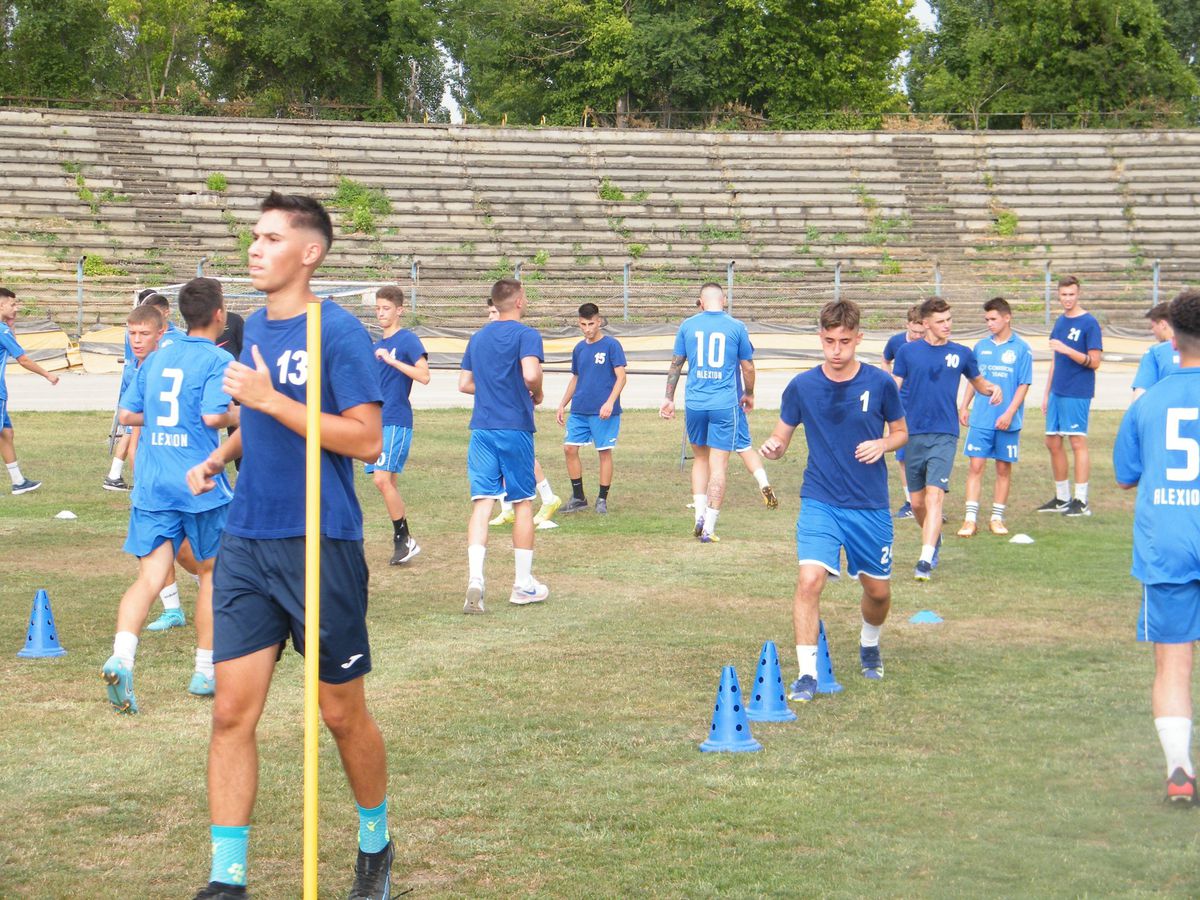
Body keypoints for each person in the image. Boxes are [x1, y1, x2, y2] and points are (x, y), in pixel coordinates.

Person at [185, 193, 394, 899]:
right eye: (254, 235)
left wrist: (270, 399)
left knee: (340, 713)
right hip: (248, 538)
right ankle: (227, 878)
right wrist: (222, 454)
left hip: (320, 541)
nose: (254, 248)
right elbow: (262, 422)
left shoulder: (338, 331)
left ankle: (375, 843)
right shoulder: (255, 331)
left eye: (271, 238)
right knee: (229, 712)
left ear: (310, 253)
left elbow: (366, 439)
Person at [760, 300, 907, 701]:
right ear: (820, 338)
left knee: (878, 592)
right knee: (809, 581)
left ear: (858, 338)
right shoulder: (802, 386)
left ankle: (869, 643)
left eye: (844, 341)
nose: (836, 350)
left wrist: (883, 443)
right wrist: (774, 447)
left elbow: (901, 432)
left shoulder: (880, 384)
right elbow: (781, 436)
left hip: (869, 504)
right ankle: (807, 675)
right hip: (820, 498)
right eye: (829, 341)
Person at [102, 277, 237, 712]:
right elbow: (214, 416)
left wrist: (164, 419)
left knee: (149, 578)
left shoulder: (156, 357)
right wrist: (243, 412)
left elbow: (127, 413)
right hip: (199, 483)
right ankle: (205, 670)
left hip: (153, 481)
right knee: (212, 574)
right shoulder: (217, 359)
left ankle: (122, 658)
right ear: (219, 314)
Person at [1113, 288, 1200, 805]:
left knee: (1172, 662)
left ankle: (1179, 770)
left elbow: (1126, 476)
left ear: (1172, 340)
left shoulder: (1148, 402)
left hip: (1167, 543)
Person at [893, 296, 1001, 581]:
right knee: (917, 503)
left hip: (945, 433)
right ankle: (934, 537)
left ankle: (925, 559)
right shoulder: (907, 352)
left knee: (934, 495)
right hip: (912, 433)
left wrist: (994, 389)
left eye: (949, 319)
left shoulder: (962, 353)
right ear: (925, 323)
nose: (947, 325)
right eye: (940, 321)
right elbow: (894, 388)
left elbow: (980, 383)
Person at [459, 278, 549, 614]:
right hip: (514, 427)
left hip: (482, 428)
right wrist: (537, 392)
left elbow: (464, 383)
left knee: (482, 503)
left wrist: (493, 389)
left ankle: (476, 579)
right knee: (522, 502)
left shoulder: (478, 338)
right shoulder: (526, 335)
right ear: (520, 301)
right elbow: (530, 374)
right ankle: (523, 584)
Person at [660, 282, 754, 543]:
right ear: (724, 301)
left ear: (700, 303)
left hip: (695, 403)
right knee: (719, 465)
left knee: (700, 459)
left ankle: (698, 516)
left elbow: (676, 364)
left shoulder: (687, 325)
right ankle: (709, 527)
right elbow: (748, 367)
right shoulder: (736, 327)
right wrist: (749, 393)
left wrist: (668, 398)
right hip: (724, 403)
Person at [956, 298, 1033, 537]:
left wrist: (1009, 413)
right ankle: (970, 519)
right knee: (975, 466)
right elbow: (974, 379)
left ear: (1007, 318)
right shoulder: (980, 347)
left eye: (993, 319)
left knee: (1003, 468)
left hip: (1007, 421)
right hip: (982, 418)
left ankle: (997, 518)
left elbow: (1023, 385)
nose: (989, 323)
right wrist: (964, 406)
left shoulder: (1021, 348)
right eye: (987, 319)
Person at [484, 299, 562, 527]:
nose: (490, 317)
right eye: (489, 312)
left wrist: (534, 392)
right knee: (499, 457)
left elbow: (534, 370)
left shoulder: (520, 337)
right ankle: (507, 507)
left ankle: (548, 498)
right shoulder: (491, 339)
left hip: (515, 407)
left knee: (522, 457)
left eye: (493, 311)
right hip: (496, 407)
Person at [366, 285, 429, 564]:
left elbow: (424, 376)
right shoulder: (374, 346)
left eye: (386, 308)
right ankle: (405, 542)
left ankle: (403, 539)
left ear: (399, 310)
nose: (381, 313)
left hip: (396, 419)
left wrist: (392, 361)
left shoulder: (407, 340)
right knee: (387, 482)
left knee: (381, 479)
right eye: (378, 308)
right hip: (376, 421)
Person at [1038, 275, 1103, 517]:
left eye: (1071, 294)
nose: (1067, 299)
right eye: (1064, 294)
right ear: (1058, 295)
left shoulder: (1089, 323)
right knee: (1052, 441)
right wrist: (1047, 393)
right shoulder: (1060, 322)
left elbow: (1095, 361)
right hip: (1058, 390)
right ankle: (1062, 497)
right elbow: (1056, 361)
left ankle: (1081, 500)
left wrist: (1068, 350)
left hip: (1077, 390)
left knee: (1077, 442)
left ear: (1078, 294)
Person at [555, 302, 627, 514]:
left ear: (599, 321)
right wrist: (562, 404)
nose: (587, 329)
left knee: (603, 452)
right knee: (569, 448)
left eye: (591, 324)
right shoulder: (579, 348)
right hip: (579, 409)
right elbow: (576, 378)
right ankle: (579, 497)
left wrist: (609, 402)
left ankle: (602, 499)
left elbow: (621, 377)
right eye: (583, 324)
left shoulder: (611, 345)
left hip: (603, 411)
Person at [0, 288, 59, 494]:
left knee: (6, 434)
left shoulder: (5, 329)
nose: (16, 308)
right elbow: (22, 359)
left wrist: (11, 325)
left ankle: (18, 482)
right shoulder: (2, 331)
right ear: (1, 306)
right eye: (13, 304)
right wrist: (47, 374)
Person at [882, 304, 925, 519]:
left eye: (921, 332)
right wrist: (889, 381)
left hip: (924, 406)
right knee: (903, 457)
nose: (918, 336)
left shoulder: (929, 344)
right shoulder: (896, 342)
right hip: (903, 406)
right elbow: (885, 359)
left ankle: (929, 501)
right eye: (914, 331)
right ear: (907, 325)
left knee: (925, 456)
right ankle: (910, 502)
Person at [1132, 302, 1179, 400]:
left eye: (1153, 326)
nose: (1152, 331)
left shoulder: (1155, 352)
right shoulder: (1194, 348)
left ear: (1162, 324)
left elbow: (1140, 395)